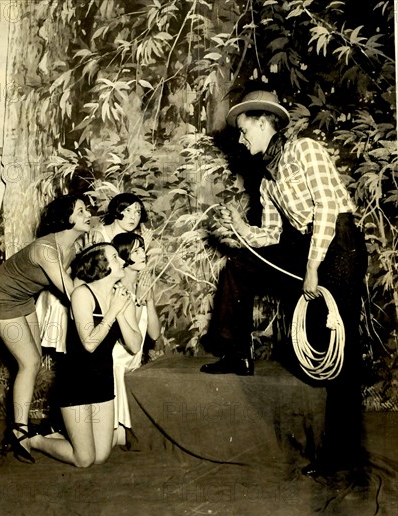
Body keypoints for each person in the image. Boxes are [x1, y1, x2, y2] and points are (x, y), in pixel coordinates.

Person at [201, 89, 368, 477]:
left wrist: (312, 266)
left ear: (263, 122)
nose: (242, 140)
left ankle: (343, 454)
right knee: (240, 267)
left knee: (337, 345)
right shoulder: (268, 178)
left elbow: (328, 208)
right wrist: (241, 229)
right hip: (304, 244)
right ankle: (237, 353)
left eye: (244, 131)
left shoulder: (305, 150)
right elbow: (273, 236)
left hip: (339, 244)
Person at [0, 194, 92, 463]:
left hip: (22, 298)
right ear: (67, 218)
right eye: (81, 210)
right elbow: (72, 293)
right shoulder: (45, 250)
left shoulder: (71, 249)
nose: (88, 214)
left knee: (34, 360)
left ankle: (24, 427)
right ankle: (18, 433)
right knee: (28, 362)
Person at [29, 242, 142, 467]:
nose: (122, 261)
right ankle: (36, 439)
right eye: (115, 257)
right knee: (85, 459)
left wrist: (119, 311)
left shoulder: (121, 296)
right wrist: (112, 312)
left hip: (102, 380)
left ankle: (57, 432)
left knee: (101, 456)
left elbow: (135, 344)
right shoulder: (82, 294)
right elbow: (90, 343)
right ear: (101, 266)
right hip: (75, 381)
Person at [111, 232, 161, 441]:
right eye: (136, 251)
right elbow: (131, 344)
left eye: (142, 249)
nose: (143, 254)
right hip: (116, 365)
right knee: (116, 441)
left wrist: (148, 301)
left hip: (132, 364)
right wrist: (137, 301)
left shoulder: (142, 284)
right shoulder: (117, 288)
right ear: (123, 258)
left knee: (120, 441)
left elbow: (155, 334)